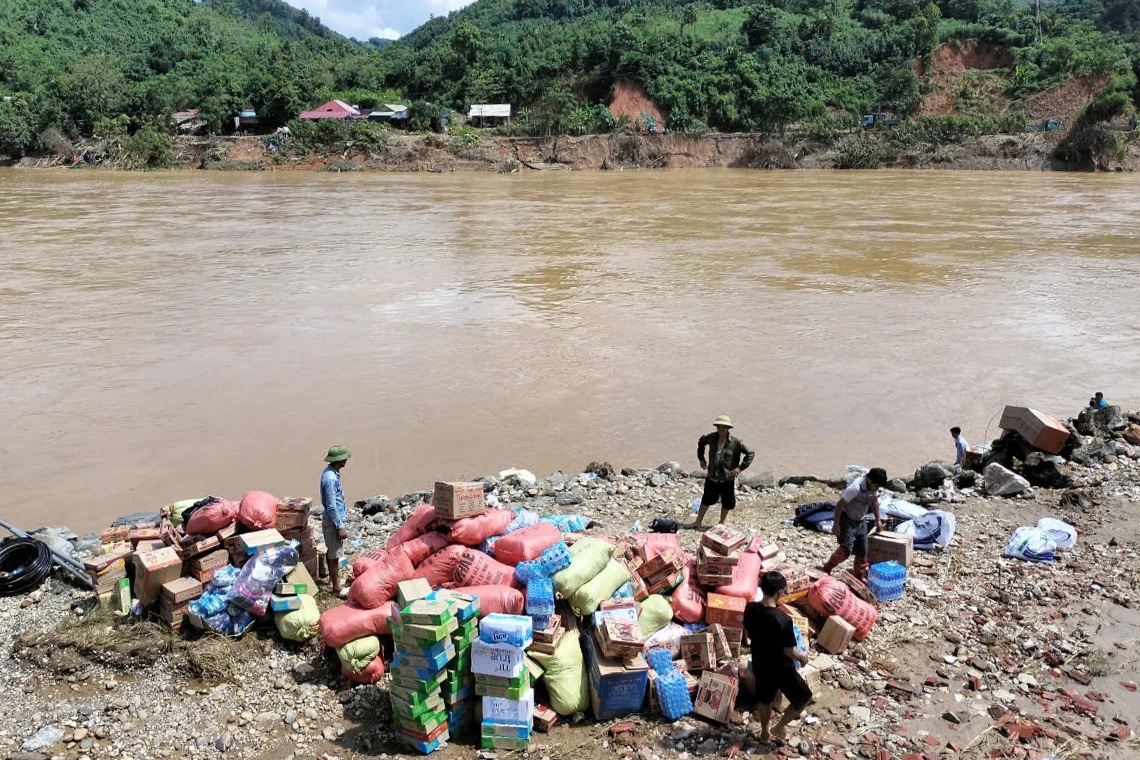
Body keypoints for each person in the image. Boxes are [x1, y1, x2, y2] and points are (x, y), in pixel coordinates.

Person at [743, 571, 813, 744]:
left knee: (765, 699)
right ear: (779, 592)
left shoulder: (750, 608)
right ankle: (779, 727)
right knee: (804, 697)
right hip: (781, 668)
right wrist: (803, 657)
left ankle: (765, 732)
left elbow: (748, 634)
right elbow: (789, 651)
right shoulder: (783, 620)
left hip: (760, 662)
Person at [688, 415, 755, 529]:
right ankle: (698, 522)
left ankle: (721, 523)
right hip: (712, 476)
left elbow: (750, 453)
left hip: (727, 478)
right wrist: (701, 459)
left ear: (728, 428)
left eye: (723, 427)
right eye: (719, 426)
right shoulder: (711, 438)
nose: (721, 429)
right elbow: (701, 443)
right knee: (706, 499)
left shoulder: (736, 442)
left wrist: (740, 468)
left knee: (727, 502)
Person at [821, 467, 887, 582]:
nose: (877, 488)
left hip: (861, 520)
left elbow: (874, 501)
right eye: (876, 485)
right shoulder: (855, 488)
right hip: (847, 519)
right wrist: (836, 525)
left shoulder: (873, 487)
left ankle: (858, 576)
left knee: (863, 551)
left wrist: (878, 520)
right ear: (870, 481)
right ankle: (827, 568)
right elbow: (839, 506)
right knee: (846, 550)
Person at [320, 445, 352, 598]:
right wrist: (340, 526)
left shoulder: (331, 473)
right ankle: (337, 588)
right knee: (334, 554)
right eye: (344, 458)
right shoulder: (331, 478)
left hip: (333, 519)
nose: (346, 460)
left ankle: (333, 581)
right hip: (333, 521)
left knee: (331, 552)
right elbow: (332, 505)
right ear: (339, 460)